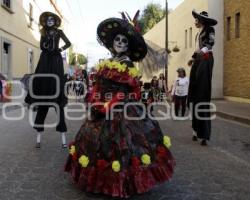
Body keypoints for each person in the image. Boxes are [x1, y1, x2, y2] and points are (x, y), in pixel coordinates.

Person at [65, 16, 175, 198]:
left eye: (124, 41)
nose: (120, 43)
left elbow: (123, 91)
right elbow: (98, 86)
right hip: (102, 106)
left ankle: (122, 183)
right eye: (117, 39)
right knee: (96, 141)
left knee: (122, 145)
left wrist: (105, 106)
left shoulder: (127, 64)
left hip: (121, 109)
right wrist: (94, 100)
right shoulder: (108, 62)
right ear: (112, 42)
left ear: (128, 46)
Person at [25, 12, 71, 149]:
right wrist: (47, 43)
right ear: (46, 22)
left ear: (55, 21)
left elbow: (68, 43)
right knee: (43, 96)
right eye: (48, 20)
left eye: (52, 19)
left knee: (58, 100)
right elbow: (41, 46)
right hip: (45, 58)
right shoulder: (43, 32)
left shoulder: (59, 32)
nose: (50, 21)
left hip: (56, 59)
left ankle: (63, 139)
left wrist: (59, 49)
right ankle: (38, 139)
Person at [187, 10, 217, 146]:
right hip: (199, 59)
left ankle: (204, 134)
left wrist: (204, 51)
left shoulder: (209, 29)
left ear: (201, 20)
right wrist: (192, 59)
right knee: (193, 93)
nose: (195, 21)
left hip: (206, 59)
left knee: (202, 95)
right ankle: (195, 130)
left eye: (197, 19)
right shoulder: (198, 33)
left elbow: (210, 42)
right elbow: (197, 49)